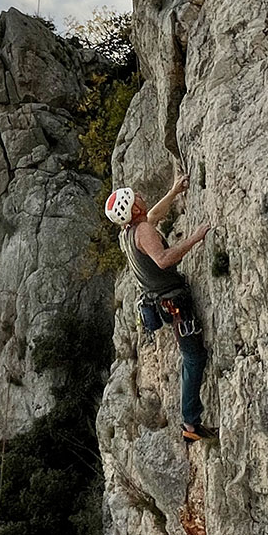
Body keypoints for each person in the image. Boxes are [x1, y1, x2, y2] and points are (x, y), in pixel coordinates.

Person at [105, 173, 218, 442]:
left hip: (162, 303)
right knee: (194, 357)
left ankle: (190, 420)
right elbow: (164, 259)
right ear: (133, 208)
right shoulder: (142, 231)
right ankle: (190, 424)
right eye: (136, 197)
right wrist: (195, 238)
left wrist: (173, 192)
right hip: (174, 303)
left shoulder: (129, 232)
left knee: (190, 356)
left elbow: (153, 215)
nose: (140, 196)